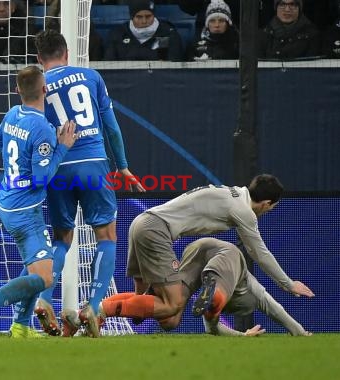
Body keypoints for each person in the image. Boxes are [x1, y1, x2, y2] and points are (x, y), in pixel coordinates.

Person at [32, 29, 145, 338]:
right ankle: (93, 306)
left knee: (61, 241)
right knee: (106, 236)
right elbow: (111, 127)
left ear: (40, 59)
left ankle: (43, 299)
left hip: (59, 167)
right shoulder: (91, 77)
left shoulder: (38, 85)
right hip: (93, 164)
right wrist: (122, 166)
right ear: (67, 53)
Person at [97, 174, 314, 334]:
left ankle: (83, 316)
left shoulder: (232, 193)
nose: (268, 211)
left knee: (164, 314)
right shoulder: (244, 211)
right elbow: (259, 252)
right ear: (267, 204)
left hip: (142, 223)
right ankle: (100, 310)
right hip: (156, 230)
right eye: (271, 208)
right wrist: (288, 284)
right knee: (172, 305)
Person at [0, 66, 77, 339]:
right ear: (45, 89)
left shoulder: (12, 114)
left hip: (6, 201)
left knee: (35, 266)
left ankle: (21, 326)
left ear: (18, 90)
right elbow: (41, 179)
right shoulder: (42, 128)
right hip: (26, 211)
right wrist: (62, 146)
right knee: (45, 277)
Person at [102, 238, 312, 336]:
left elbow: (213, 329)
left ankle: (102, 307)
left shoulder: (208, 307)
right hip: (227, 255)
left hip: (197, 249)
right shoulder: (254, 292)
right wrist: (300, 331)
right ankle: (216, 288)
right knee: (216, 291)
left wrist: (242, 335)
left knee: (170, 318)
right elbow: (277, 310)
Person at [103, 0, 184, 61]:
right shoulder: (118, 34)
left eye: (148, 16)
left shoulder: (167, 33)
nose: (144, 21)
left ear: (154, 15)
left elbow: (174, 67)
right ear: (132, 17)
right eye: (139, 17)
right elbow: (109, 65)